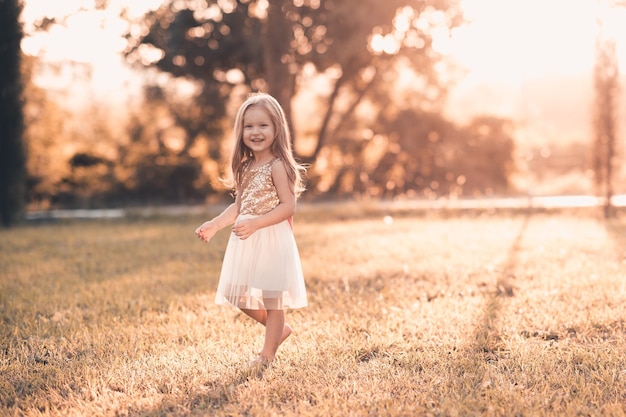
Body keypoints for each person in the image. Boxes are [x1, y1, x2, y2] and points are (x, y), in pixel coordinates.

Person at [195, 93, 307, 369]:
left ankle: (267, 355)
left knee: (272, 299)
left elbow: (288, 206)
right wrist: (215, 224)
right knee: (236, 294)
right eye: (249, 126)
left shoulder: (278, 166)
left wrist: (257, 223)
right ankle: (277, 329)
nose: (255, 132)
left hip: (270, 237)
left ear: (276, 128)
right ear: (241, 131)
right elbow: (239, 206)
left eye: (263, 126)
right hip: (246, 238)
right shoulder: (245, 167)